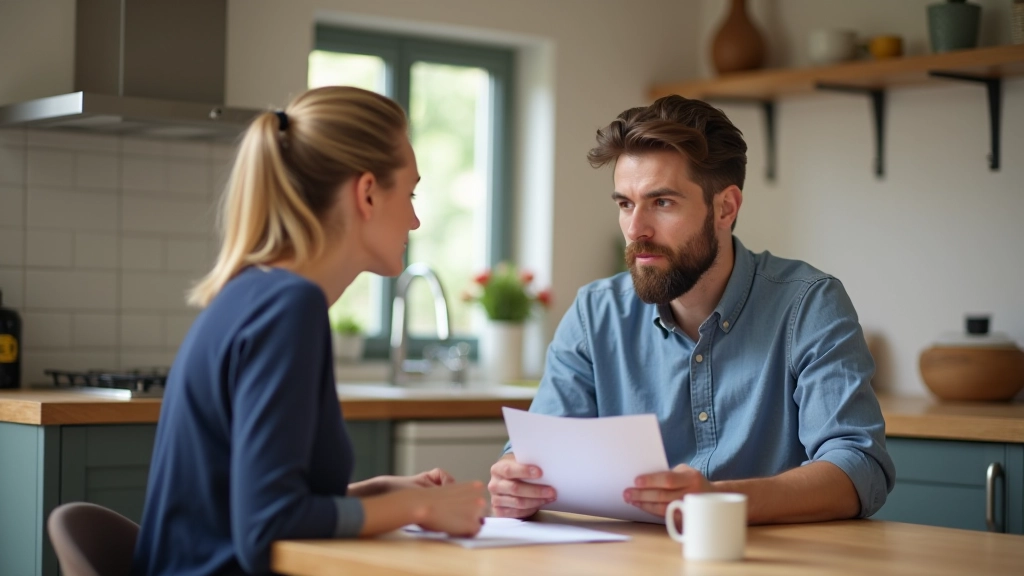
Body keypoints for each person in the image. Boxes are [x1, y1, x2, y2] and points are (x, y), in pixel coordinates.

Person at [488, 95, 895, 525]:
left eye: (661, 202)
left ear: (725, 207)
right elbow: (541, 452)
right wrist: (517, 479)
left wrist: (719, 503)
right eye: (625, 203)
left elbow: (859, 469)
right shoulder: (595, 314)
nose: (635, 229)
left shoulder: (809, 304)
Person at [132, 87, 486, 576]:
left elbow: (246, 506)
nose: (415, 218)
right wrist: (417, 509)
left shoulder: (254, 291)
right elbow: (266, 530)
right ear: (366, 193)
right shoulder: (290, 307)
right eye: (410, 193)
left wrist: (375, 492)